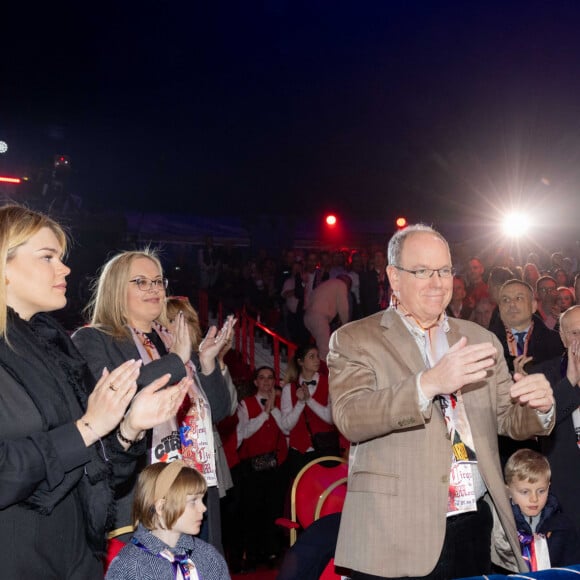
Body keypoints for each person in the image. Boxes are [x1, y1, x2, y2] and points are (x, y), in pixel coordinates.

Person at [328, 224, 555, 579]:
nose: (437, 282)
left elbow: (506, 418)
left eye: (445, 270)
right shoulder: (356, 339)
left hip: (472, 525)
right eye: (421, 271)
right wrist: (428, 383)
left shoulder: (479, 339)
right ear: (394, 277)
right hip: (395, 530)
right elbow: (350, 416)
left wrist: (538, 407)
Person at [0, 205, 189, 578]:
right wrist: (88, 426)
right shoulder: (83, 340)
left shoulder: (53, 346)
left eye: (62, 258)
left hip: (75, 555)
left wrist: (128, 429)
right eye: (47, 257)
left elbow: (94, 470)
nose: (65, 268)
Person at [72, 250, 233, 551]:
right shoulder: (92, 339)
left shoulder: (169, 339)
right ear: (117, 288)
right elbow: (117, 398)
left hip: (192, 487)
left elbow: (219, 412)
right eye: (141, 282)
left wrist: (208, 365)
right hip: (138, 493)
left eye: (158, 281)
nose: (155, 289)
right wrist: (176, 360)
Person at [163, 296, 238, 551]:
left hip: (204, 474)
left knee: (206, 550)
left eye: (187, 320)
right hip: (168, 477)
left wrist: (210, 363)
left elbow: (221, 410)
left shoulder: (197, 363)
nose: (181, 326)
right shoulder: (153, 362)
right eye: (173, 320)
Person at [105, 461, 230, 580]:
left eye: (202, 500)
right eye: (193, 501)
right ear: (161, 507)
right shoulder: (129, 566)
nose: (203, 508)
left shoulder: (208, 557)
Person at [531, 305, 580, 534]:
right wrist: (569, 384)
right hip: (564, 498)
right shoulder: (542, 376)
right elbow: (539, 426)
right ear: (562, 337)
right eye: (575, 333)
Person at [236, 366, 288, 569]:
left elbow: (286, 428)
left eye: (270, 378)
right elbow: (245, 433)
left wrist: (273, 409)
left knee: (273, 509)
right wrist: (264, 414)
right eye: (262, 378)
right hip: (252, 467)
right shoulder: (245, 404)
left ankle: (272, 552)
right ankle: (253, 554)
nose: (266, 382)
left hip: (276, 465)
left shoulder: (280, 405)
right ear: (256, 382)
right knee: (253, 510)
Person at [503, 449, 580, 571]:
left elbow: (573, 571)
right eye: (525, 492)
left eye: (541, 491)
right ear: (508, 491)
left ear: (549, 486)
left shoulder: (563, 527)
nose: (534, 499)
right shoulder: (502, 528)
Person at [303, 274, 351, 359]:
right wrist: (345, 324)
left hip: (308, 316)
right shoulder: (341, 284)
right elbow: (343, 307)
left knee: (318, 346)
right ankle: (323, 371)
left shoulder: (327, 284)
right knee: (324, 350)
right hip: (319, 317)